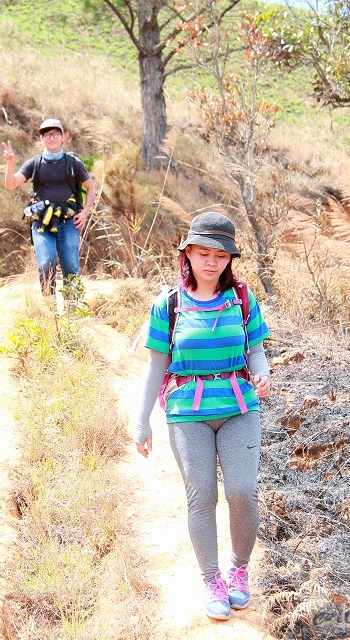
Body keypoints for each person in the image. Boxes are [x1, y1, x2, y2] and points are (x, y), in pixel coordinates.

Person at [134, 211, 271, 621]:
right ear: (187, 254)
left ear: (230, 260)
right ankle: (212, 579)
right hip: (186, 413)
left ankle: (239, 569)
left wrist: (262, 372)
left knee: (242, 492)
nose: (211, 261)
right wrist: (141, 421)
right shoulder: (169, 304)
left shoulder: (243, 299)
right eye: (203, 252)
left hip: (238, 407)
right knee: (202, 496)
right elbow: (156, 367)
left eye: (221, 255)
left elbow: (256, 351)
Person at [2, 118, 96, 297]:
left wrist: (84, 213)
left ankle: (72, 310)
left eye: (55, 134)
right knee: (46, 262)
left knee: (71, 265)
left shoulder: (73, 163)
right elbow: (11, 184)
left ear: (62, 137)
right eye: (46, 135)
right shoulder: (34, 163)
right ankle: (49, 308)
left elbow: (91, 188)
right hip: (42, 222)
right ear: (41, 139)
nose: (51, 138)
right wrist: (10, 163)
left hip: (68, 222)